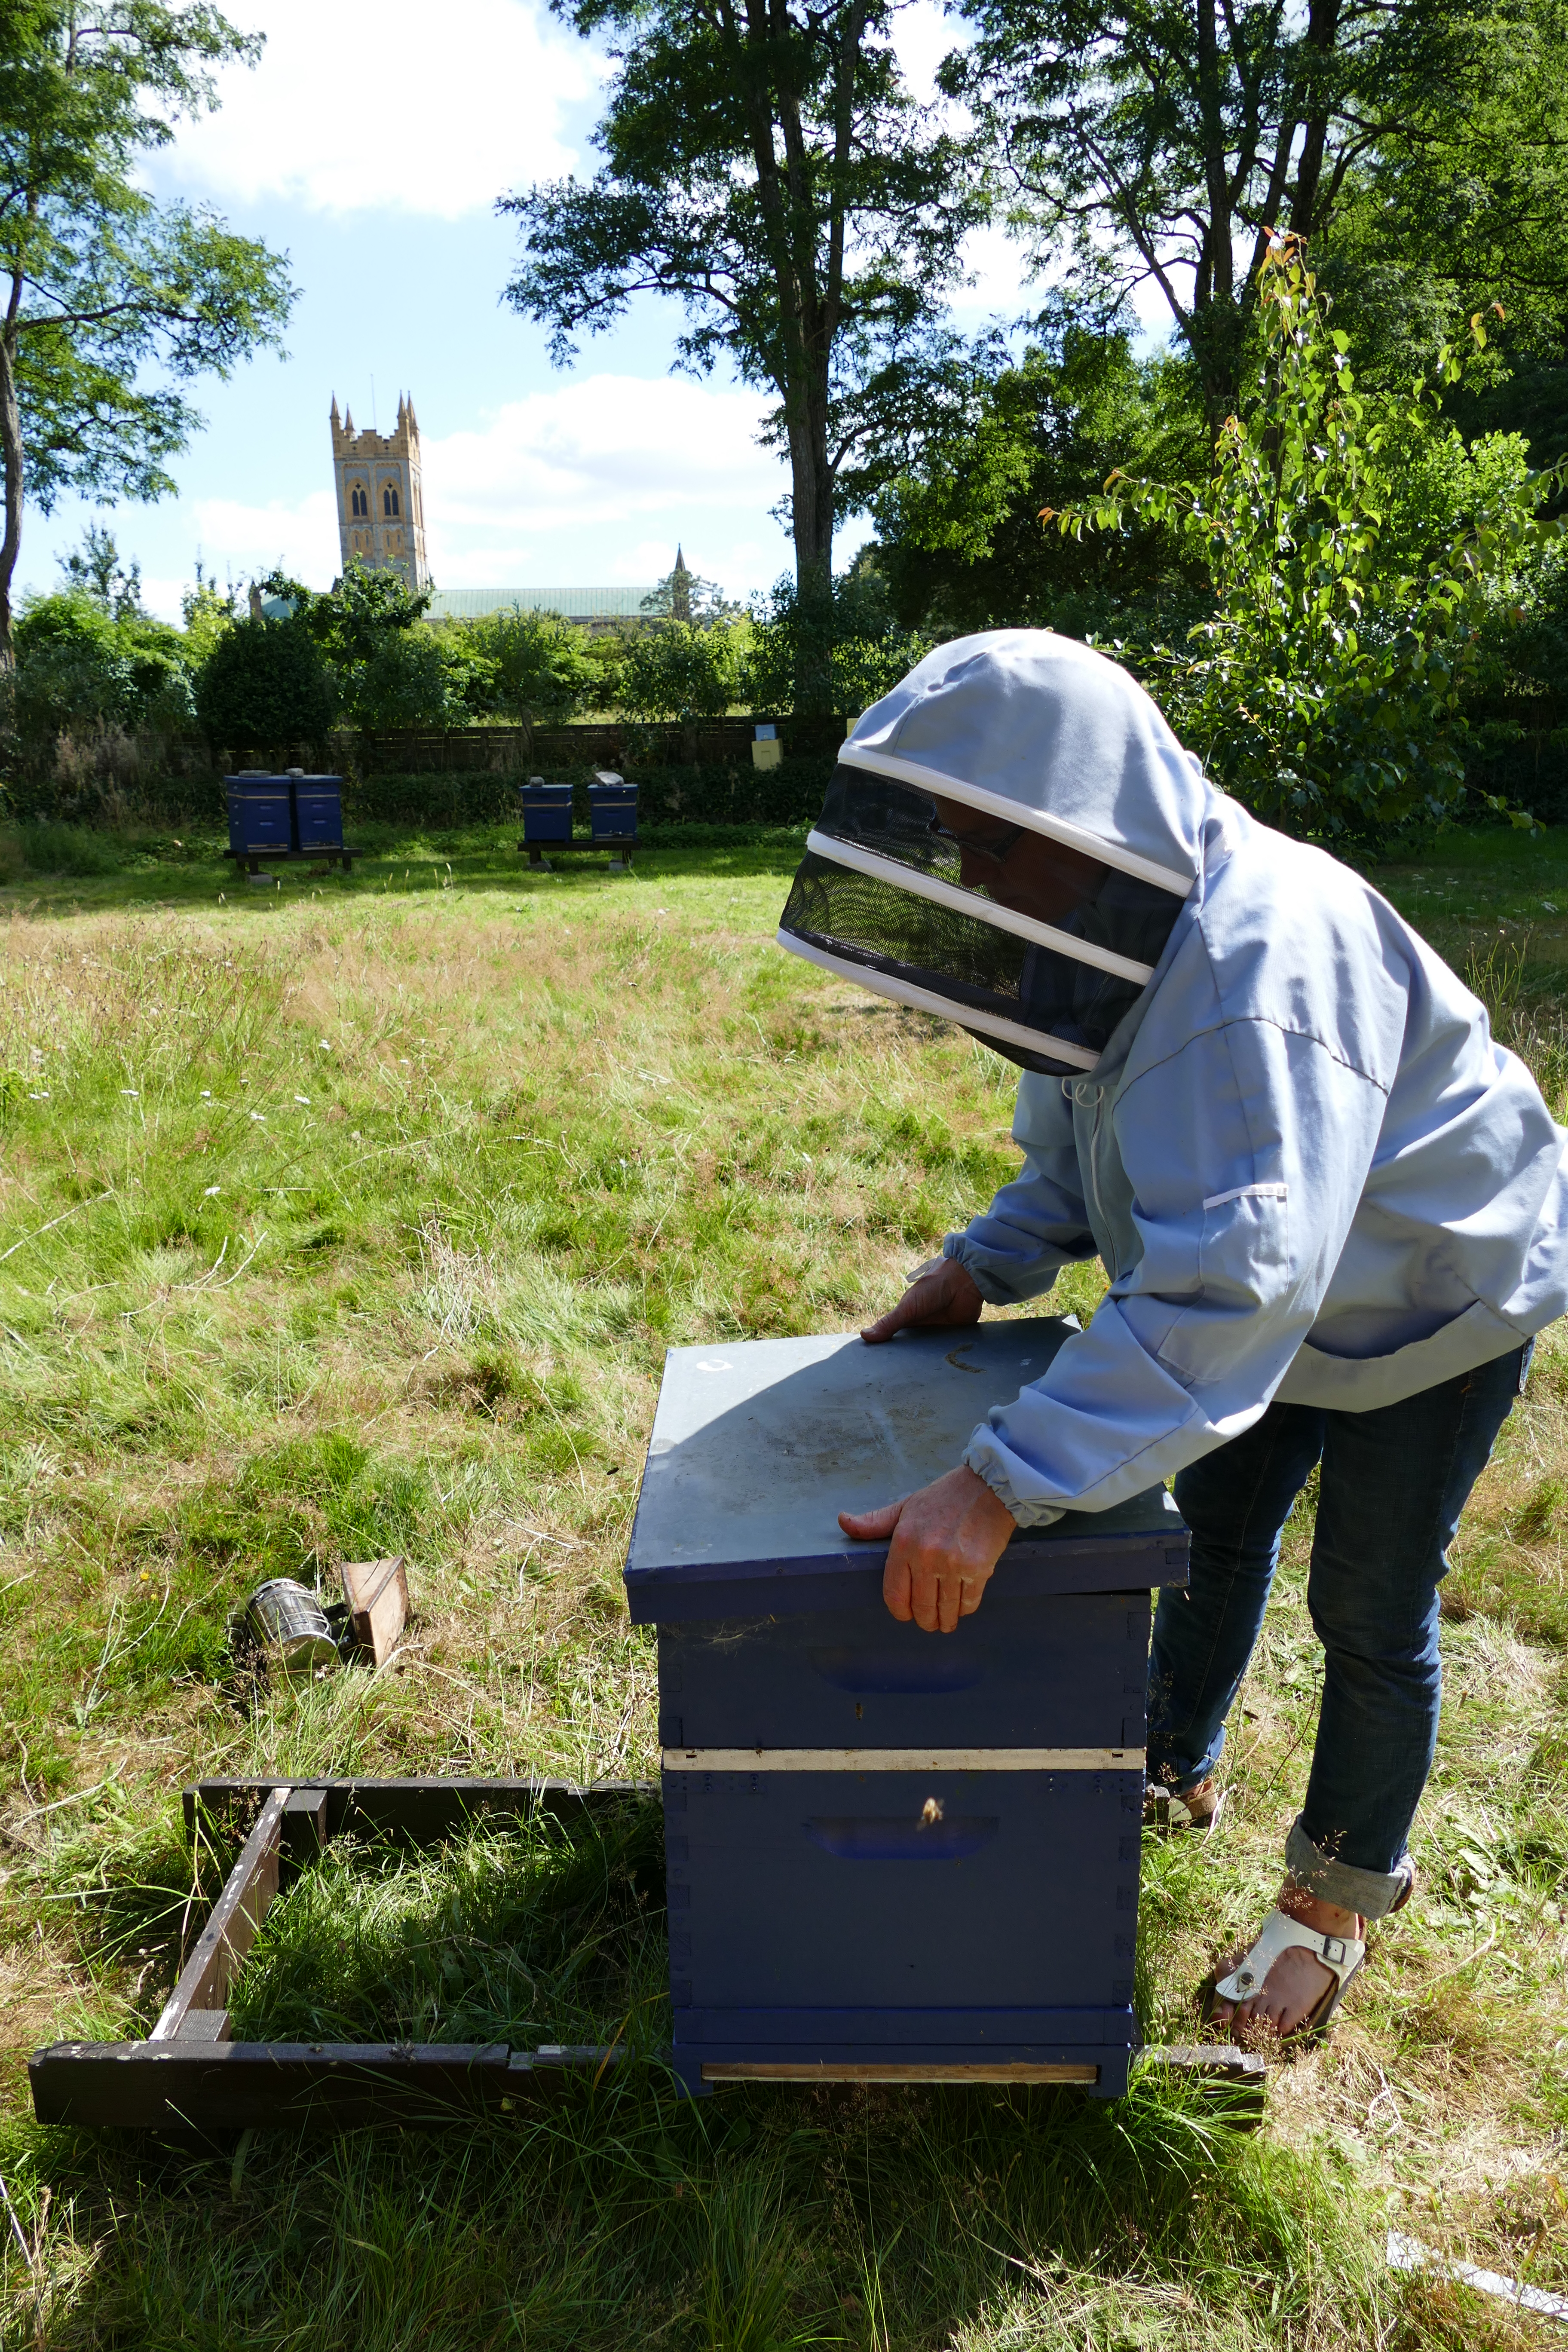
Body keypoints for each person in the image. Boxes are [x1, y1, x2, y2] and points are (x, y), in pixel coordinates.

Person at [775, 630, 1567, 2043]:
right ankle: (1168, 1762)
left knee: (1370, 1604)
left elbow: (1230, 1287)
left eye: (986, 848)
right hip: (1280, 1287)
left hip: (1436, 1291)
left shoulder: (1255, 980)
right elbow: (1093, 1146)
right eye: (953, 848)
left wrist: (998, 1485)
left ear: (1076, 817)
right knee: (1213, 1538)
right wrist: (983, 1265)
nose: (971, 885)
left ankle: (1332, 1904)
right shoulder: (1112, 929)